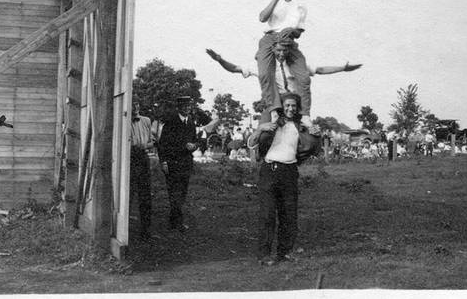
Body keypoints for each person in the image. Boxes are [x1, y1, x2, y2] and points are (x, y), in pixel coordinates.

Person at [247, 93, 321, 266]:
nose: (290, 109)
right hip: (269, 171)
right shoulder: (271, 123)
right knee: (267, 214)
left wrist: (317, 133)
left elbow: (313, 146)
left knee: (289, 214)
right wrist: (260, 129)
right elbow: (251, 143)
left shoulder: (300, 125)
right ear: (281, 106)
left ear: (297, 108)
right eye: (287, 105)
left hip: (289, 171)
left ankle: (285, 252)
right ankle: (264, 255)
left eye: (293, 106)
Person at [206, 43, 361, 123]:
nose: (281, 54)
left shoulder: (295, 65)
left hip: (293, 102)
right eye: (278, 50)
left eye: (284, 50)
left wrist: (342, 68)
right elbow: (234, 68)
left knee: (306, 132)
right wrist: (219, 60)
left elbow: (319, 70)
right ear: (272, 49)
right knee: (264, 129)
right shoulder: (263, 66)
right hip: (274, 102)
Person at [256, 0, 312, 124]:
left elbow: (299, 31)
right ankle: (274, 109)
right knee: (264, 74)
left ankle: (305, 114)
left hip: (288, 40)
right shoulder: (276, 1)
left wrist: (292, 31)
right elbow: (262, 18)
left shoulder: (300, 5)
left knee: (304, 77)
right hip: (271, 38)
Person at [157, 96, 198, 232]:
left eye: (189, 106)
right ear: (179, 107)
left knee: (182, 193)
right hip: (173, 163)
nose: (187, 108)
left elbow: (195, 140)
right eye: (184, 106)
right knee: (174, 193)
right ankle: (177, 222)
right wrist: (163, 161)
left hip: (186, 164)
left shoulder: (190, 122)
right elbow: (162, 144)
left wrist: (194, 146)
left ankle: (173, 220)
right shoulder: (171, 122)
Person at [130, 102, 154, 240]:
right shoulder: (123, 120)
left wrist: (145, 145)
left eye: (136, 106)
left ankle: (146, 230)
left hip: (143, 158)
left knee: (145, 195)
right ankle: (124, 232)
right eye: (132, 106)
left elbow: (152, 142)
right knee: (128, 194)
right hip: (129, 159)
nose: (134, 109)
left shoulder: (146, 121)